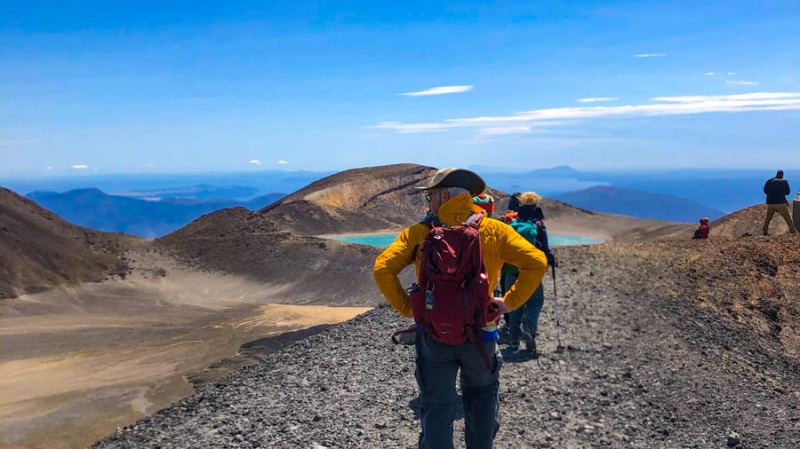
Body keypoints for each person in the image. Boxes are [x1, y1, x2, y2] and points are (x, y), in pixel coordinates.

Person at [374, 168, 547, 449]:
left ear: (443, 195)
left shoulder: (419, 233)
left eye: (430, 196)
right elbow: (536, 262)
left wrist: (409, 309)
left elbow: (382, 268)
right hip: (482, 334)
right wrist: (508, 303)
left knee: (437, 405)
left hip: (433, 336)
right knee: (481, 399)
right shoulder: (495, 230)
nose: (428, 202)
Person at [502, 192, 557, 353]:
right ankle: (529, 329)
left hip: (511, 270)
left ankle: (513, 339)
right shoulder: (538, 225)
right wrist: (551, 259)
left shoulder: (512, 223)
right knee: (535, 301)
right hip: (531, 271)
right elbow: (545, 249)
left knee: (513, 302)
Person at [762, 170, 798, 235]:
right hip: (780, 203)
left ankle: (765, 230)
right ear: (782, 175)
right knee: (788, 218)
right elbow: (788, 192)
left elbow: (765, 190)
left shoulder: (769, 181)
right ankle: (793, 232)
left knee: (768, 218)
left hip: (770, 203)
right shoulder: (784, 181)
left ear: (776, 174)